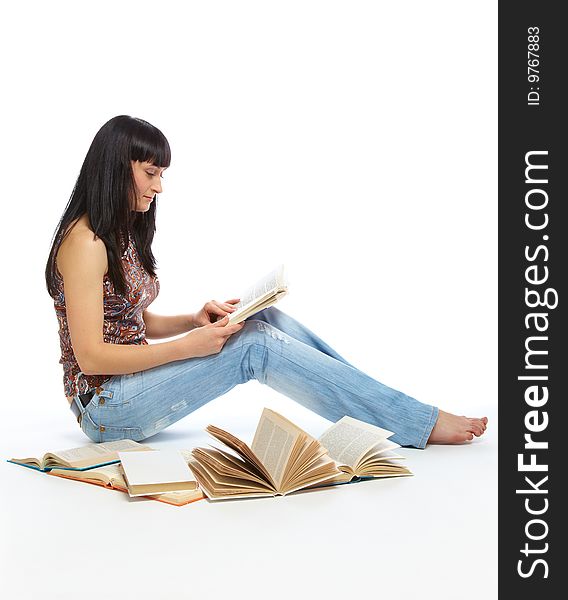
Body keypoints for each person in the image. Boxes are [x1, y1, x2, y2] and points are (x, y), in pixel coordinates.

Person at [45, 115, 487, 448]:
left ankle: (383, 410)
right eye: (150, 173)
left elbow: (128, 323)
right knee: (254, 347)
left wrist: (193, 322)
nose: (159, 186)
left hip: (131, 385)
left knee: (265, 317)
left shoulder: (117, 230)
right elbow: (91, 356)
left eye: (161, 174)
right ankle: (411, 421)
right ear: (116, 169)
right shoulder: (84, 244)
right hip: (104, 409)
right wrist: (189, 347)